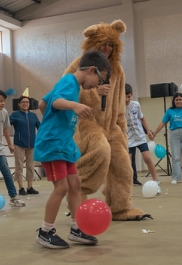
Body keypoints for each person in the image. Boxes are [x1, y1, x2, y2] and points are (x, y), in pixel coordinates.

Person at [63, 20, 150, 221]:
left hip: (112, 127)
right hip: (87, 123)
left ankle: (120, 208)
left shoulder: (117, 69)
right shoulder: (78, 64)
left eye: (111, 44)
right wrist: (93, 92)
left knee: (123, 165)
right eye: (103, 44)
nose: (107, 48)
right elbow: (64, 93)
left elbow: (120, 103)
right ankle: (76, 195)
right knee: (100, 152)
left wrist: (121, 130)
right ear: (93, 43)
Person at [34, 50, 111, 249]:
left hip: (65, 143)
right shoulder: (69, 82)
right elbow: (58, 102)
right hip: (53, 144)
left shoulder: (72, 85)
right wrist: (73, 106)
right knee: (62, 187)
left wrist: (51, 121)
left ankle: (77, 228)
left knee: (75, 183)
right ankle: (45, 231)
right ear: (91, 70)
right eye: (99, 80)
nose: (96, 86)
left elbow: (44, 103)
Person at [125, 83, 161, 194]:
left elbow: (142, 118)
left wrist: (148, 131)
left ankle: (156, 181)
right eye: (124, 97)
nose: (126, 99)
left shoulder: (136, 105)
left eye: (128, 96)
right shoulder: (117, 107)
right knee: (127, 162)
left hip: (140, 137)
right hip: (128, 138)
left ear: (132, 95)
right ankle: (126, 186)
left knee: (147, 158)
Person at [10, 95, 40, 195]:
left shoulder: (33, 116)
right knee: (19, 167)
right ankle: (21, 188)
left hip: (31, 144)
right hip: (19, 144)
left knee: (31, 166)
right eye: (23, 102)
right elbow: (6, 125)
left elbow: (40, 127)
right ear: (19, 104)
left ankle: (30, 187)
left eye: (27, 102)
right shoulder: (15, 115)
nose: (25, 104)